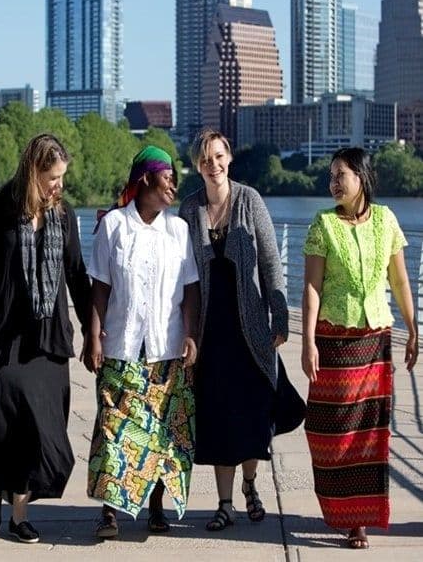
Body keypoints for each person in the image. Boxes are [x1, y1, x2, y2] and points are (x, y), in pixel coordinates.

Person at [0, 133, 90, 544]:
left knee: (41, 430)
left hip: (47, 340)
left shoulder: (65, 216)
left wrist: (97, 328)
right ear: (31, 173)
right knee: (4, 423)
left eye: (62, 178)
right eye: (51, 178)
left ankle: (15, 508)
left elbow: (76, 275)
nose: (58, 186)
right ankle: (3, 501)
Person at [179, 128, 303, 531]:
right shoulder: (189, 208)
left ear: (228, 157)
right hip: (209, 333)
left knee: (251, 416)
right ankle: (225, 503)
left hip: (249, 330)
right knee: (217, 420)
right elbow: (181, 276)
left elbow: (270, 264)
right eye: (204, 159)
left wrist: (280, 317)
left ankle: (250, 485)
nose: (212, 165)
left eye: (218, 156)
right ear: (196, 165)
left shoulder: (250, 200)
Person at [302, 147, 418, 549]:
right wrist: (309, 342)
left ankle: (359, 522)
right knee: (328, 430)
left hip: (375, 340)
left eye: (341, 175)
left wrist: (413, 325)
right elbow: (312, 287)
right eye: (331, 175)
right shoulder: (322, 225)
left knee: (369, 432)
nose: (334, 182)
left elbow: (400, 280)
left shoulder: (386, 220)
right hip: (333, 341)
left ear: (362, 178)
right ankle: (338, 507)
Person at [85, 145, 200, 538]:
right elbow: (99, 287)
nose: (173, 184)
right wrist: (93, 335)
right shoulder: (114, 225)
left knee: (161, 435)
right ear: (147, 178)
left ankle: (155, 508)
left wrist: (191, 336)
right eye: (167, 176)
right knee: (115, 432)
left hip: (165, 349)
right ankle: (110, 513)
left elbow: (191, 290)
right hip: (121, 344)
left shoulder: (178, 230)